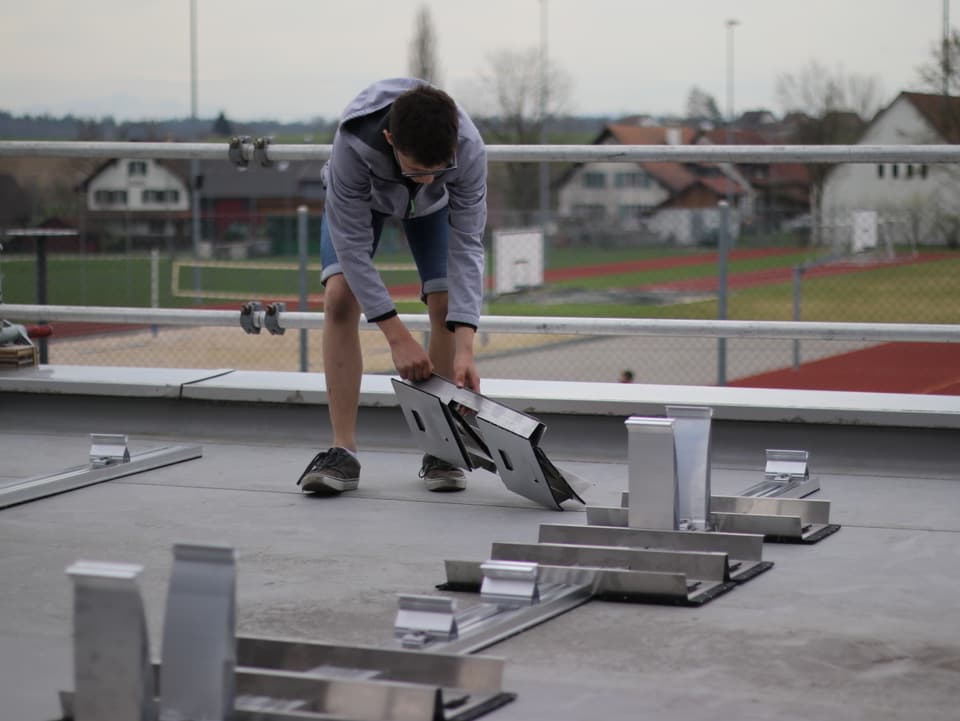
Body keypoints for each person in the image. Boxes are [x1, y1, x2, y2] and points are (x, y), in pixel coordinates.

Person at [296, 78, 487, 496]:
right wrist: (397, 337)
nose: (429, 180)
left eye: (440, 170)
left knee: (445, 304)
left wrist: (466, 348)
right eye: (420, 170)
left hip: (434, 214)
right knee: (340, 298)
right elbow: (351, 248)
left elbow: (468, 245)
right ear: (389, 139)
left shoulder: (468, 148)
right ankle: (341, 451)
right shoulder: (353, 142)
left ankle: (442, 449)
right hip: (363, 201)